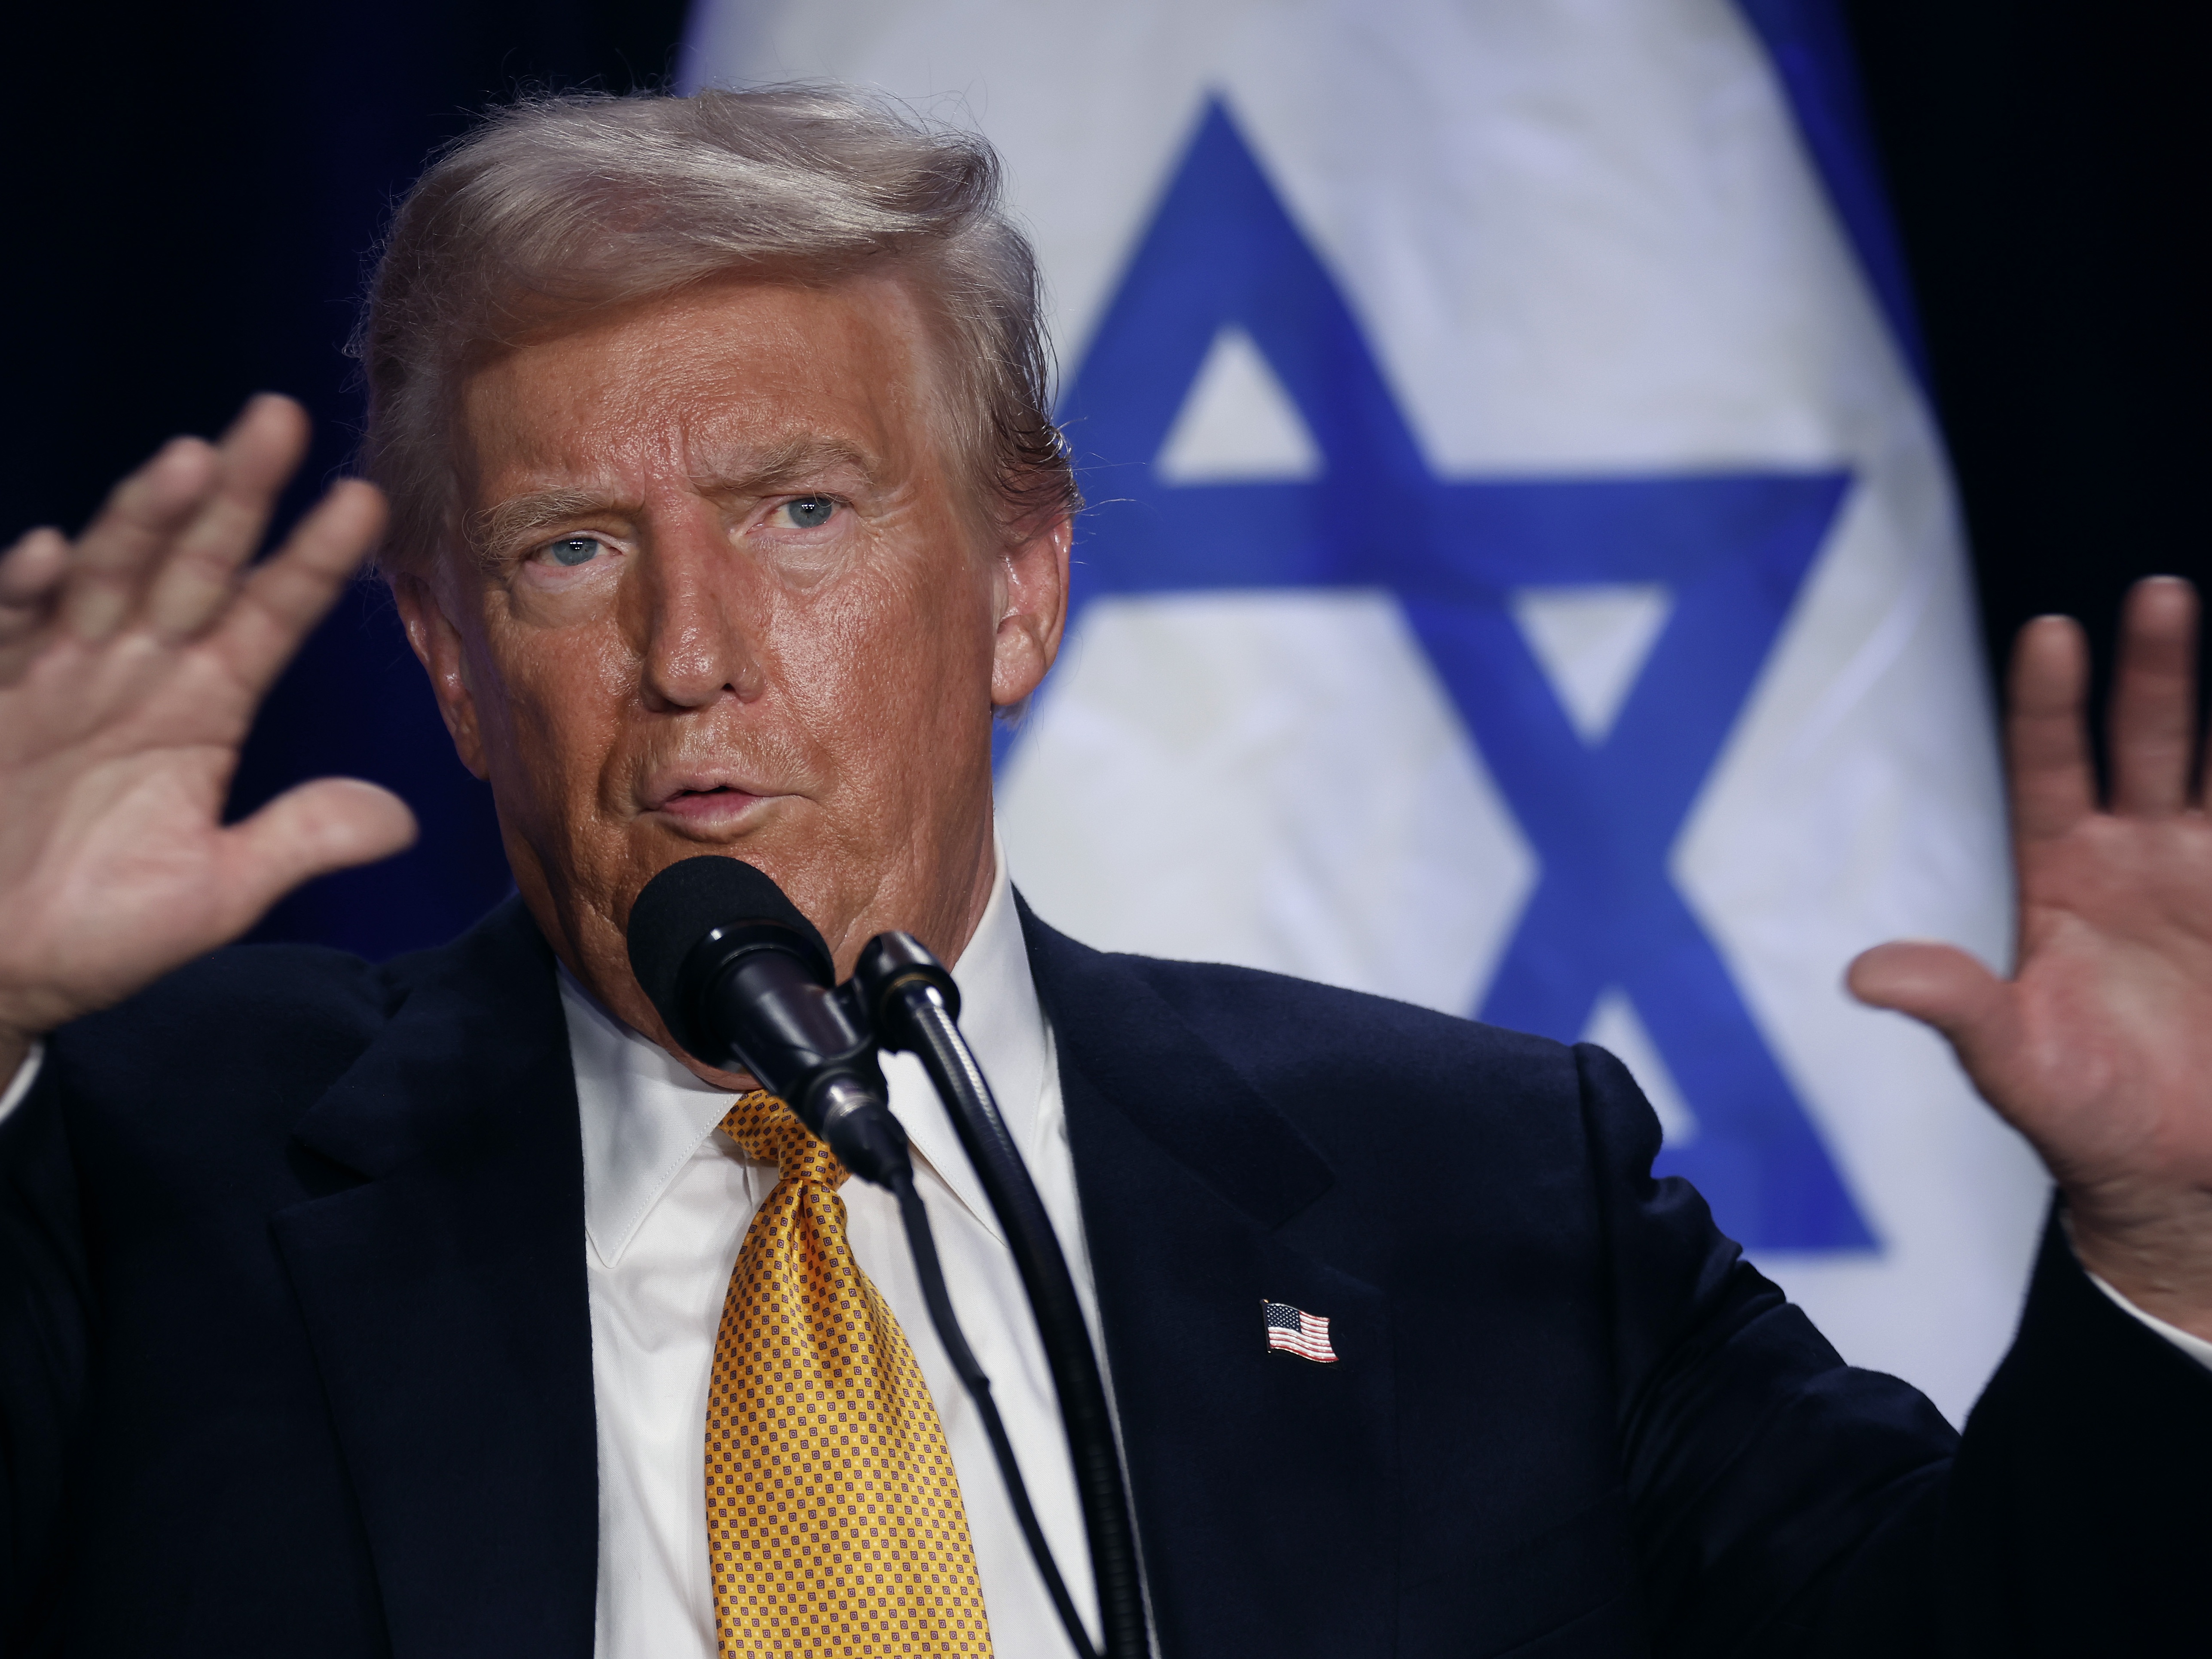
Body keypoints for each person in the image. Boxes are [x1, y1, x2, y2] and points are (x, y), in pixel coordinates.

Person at [0, 86, 2206, 1659]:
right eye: (570, 553)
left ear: (1022, 586)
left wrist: (2174, 1246)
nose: (689, 657)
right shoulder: (139, 1167)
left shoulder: (1484, 1197)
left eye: (800, 513)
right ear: (456, 670)